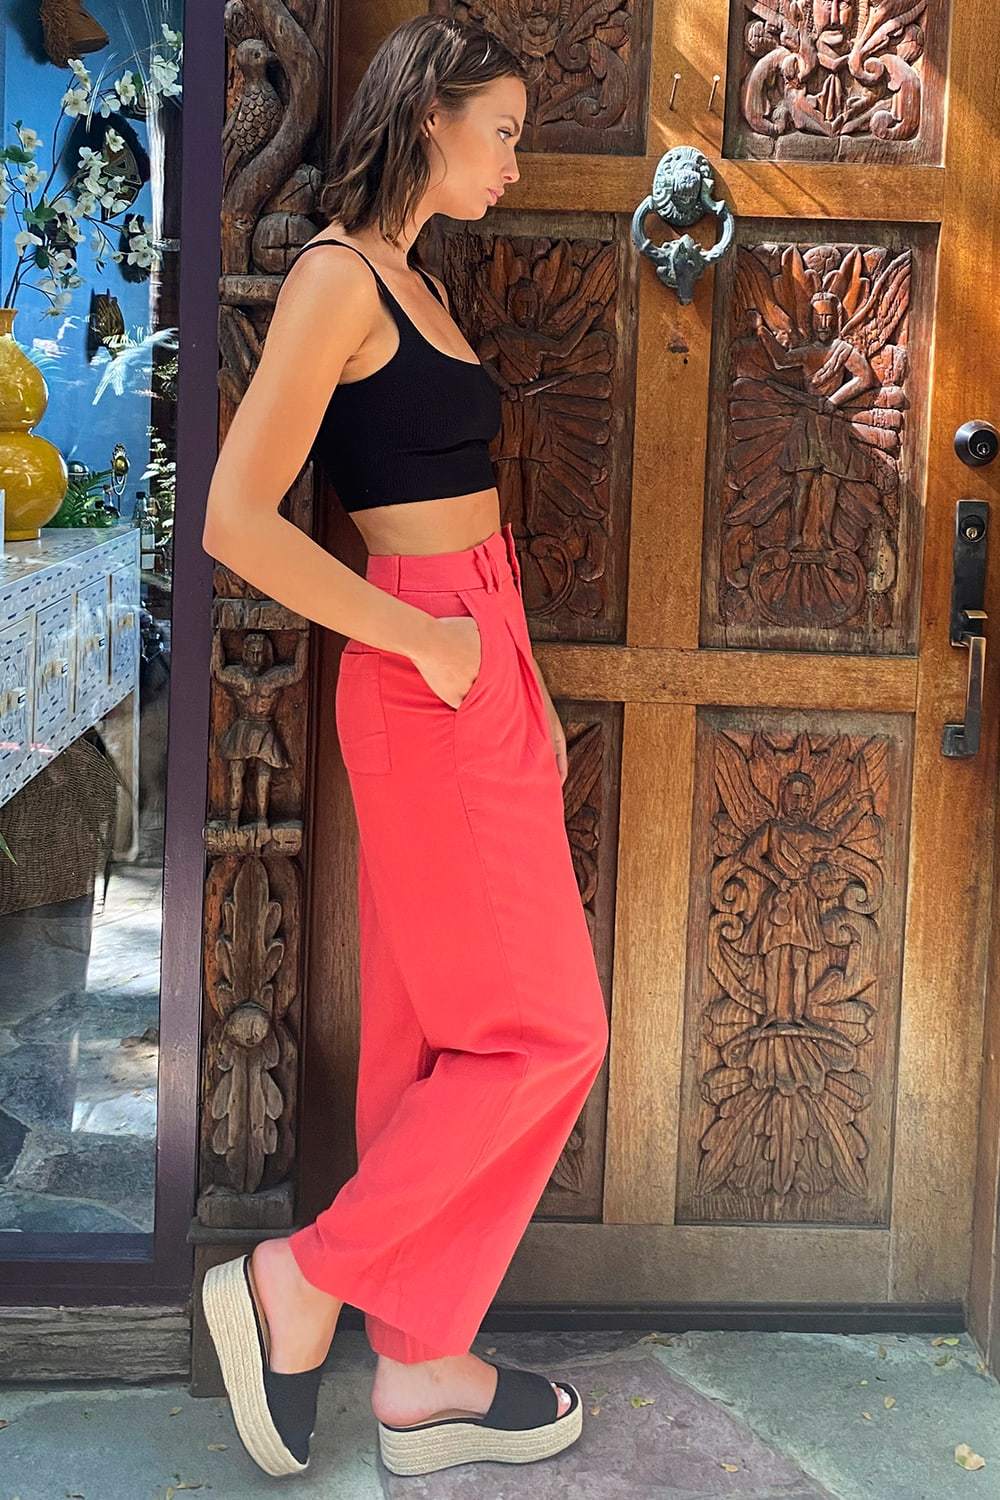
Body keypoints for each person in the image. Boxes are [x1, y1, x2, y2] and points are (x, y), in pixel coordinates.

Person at [200, 13, 609, 1480]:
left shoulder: (415, 278)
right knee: (552, 1035)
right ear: (430, 115)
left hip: (478, 655)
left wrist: (515, 672)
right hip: (423, 661)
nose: (514, 164)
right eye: (501, 132)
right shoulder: (336, 277)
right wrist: (425, 640)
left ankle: (425, 1368)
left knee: (431, 1039)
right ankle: (301, 1281)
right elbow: (234, 521)